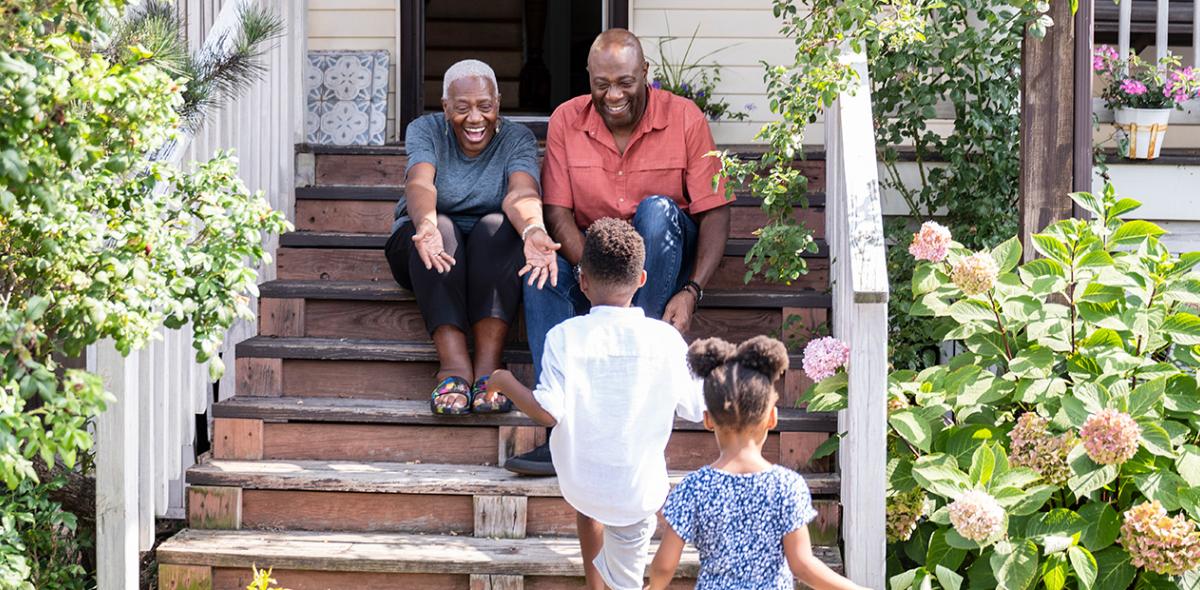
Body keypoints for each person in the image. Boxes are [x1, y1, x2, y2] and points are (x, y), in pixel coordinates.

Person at [508, 28, 733, 475]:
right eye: (602, 83)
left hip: (658, 259)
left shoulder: (685, 118)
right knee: (541, 273)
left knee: (657, 212)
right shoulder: (565, 120)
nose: (613, 95)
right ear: (588, 77)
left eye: (626, 82)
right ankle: (563, 434)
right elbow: (557, 212)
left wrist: (691, 291)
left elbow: (715, 213)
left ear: (646, 74)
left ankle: (634, 401)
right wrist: (593, 276)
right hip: (590, 256)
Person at [481, 218, 706, 590]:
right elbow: (695, 408)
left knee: (590, 506)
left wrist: (505, 381)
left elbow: (547, 412)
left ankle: (594, 583)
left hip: (581, 482)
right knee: (628, 578)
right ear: (642, 280)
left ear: (582, 281)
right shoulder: (665, 340)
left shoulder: (564, 336)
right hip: (637, 493)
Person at [384, 59, 561, 416]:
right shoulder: (426, 129)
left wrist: (533, 229)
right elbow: (421, 183)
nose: (475, 118)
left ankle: (487, 369)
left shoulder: (517, 138)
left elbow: (520, 192)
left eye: (485, 106)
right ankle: (453, 367)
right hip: (425, 246)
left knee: (497, 227)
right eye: (462, 108)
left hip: (487, 252)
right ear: (445, 105)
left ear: (497, 103)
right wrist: (427, 226)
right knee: (444, 229)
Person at [645, 336, 868, 590]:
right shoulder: (786, 485)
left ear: (707, 420)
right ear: (772, 417)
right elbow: (802, 565)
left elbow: (664, 565)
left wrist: (654, 587)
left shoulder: (694, 487)